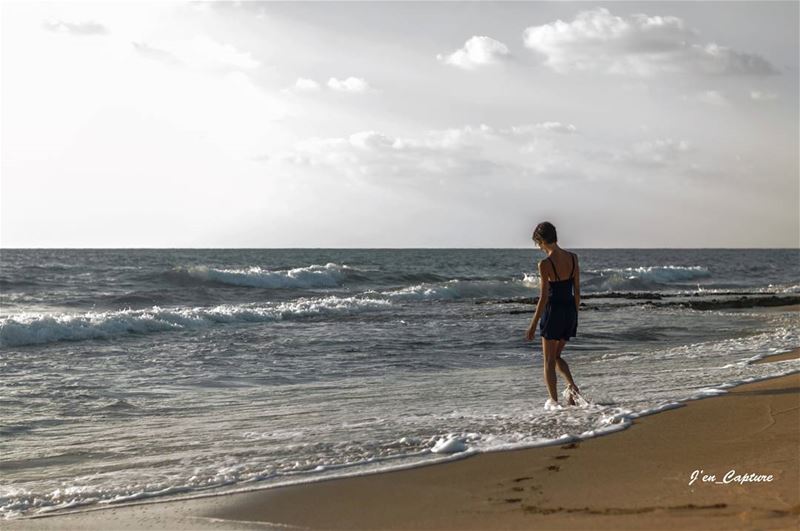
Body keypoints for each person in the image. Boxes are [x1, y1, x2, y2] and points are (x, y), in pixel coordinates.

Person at [525, 221, 582, 409]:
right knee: (557, 356)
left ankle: (554, 402)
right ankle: (572, 387)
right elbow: (577, 291)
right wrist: (574, 316)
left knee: (548, 361)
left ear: (542, 241)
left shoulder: (545, 263)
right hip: (569, 311)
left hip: (553, 311)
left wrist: (533, 325)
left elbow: (543, 298)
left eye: (538, 243)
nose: (539, 247)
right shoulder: (573, 258)